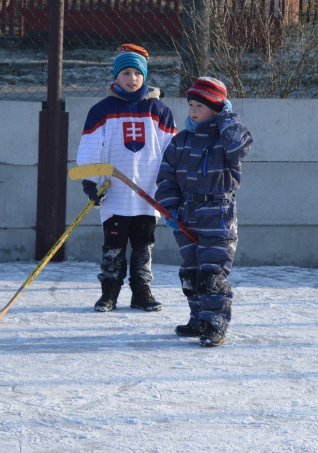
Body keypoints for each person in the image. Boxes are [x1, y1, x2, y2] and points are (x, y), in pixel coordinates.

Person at [76, 44, 177, 312]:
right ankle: (109, 292)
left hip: (148, 196)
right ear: (115, 77)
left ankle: (141, 292)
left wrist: (171, 183)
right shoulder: (102, 110)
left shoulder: (159, 110)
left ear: (144, 76)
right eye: (126, 73)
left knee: (143, 246)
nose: (132, 78)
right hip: (115, 195)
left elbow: (172, 149)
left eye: (137, 73)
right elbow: (89, 149)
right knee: (113, 246)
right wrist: (91, 183)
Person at [155, 77, 253, 347]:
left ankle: (215, 323)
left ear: (217, 109)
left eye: (200, 105)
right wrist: (170, 209)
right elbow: (167, 178)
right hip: (187, 212)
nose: (193, 111)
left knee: (212, 272)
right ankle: (198, 318)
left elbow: (240, 145)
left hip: (217, 214)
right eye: (190, 105)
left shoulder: (226, 140)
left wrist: (227, 117)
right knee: (192, 272)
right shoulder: (181, 141)